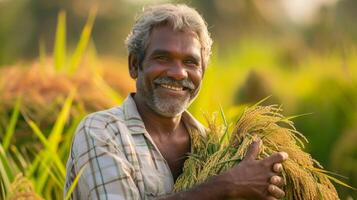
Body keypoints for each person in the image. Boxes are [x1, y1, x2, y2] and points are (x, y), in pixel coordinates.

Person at [64, 4, 288, 200]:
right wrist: (227, 185)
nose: (179, 73)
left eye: (190, 62)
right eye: (162, 58)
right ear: (134, 65)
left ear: (202, 72)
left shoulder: (213, 145)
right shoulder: (101, 132)